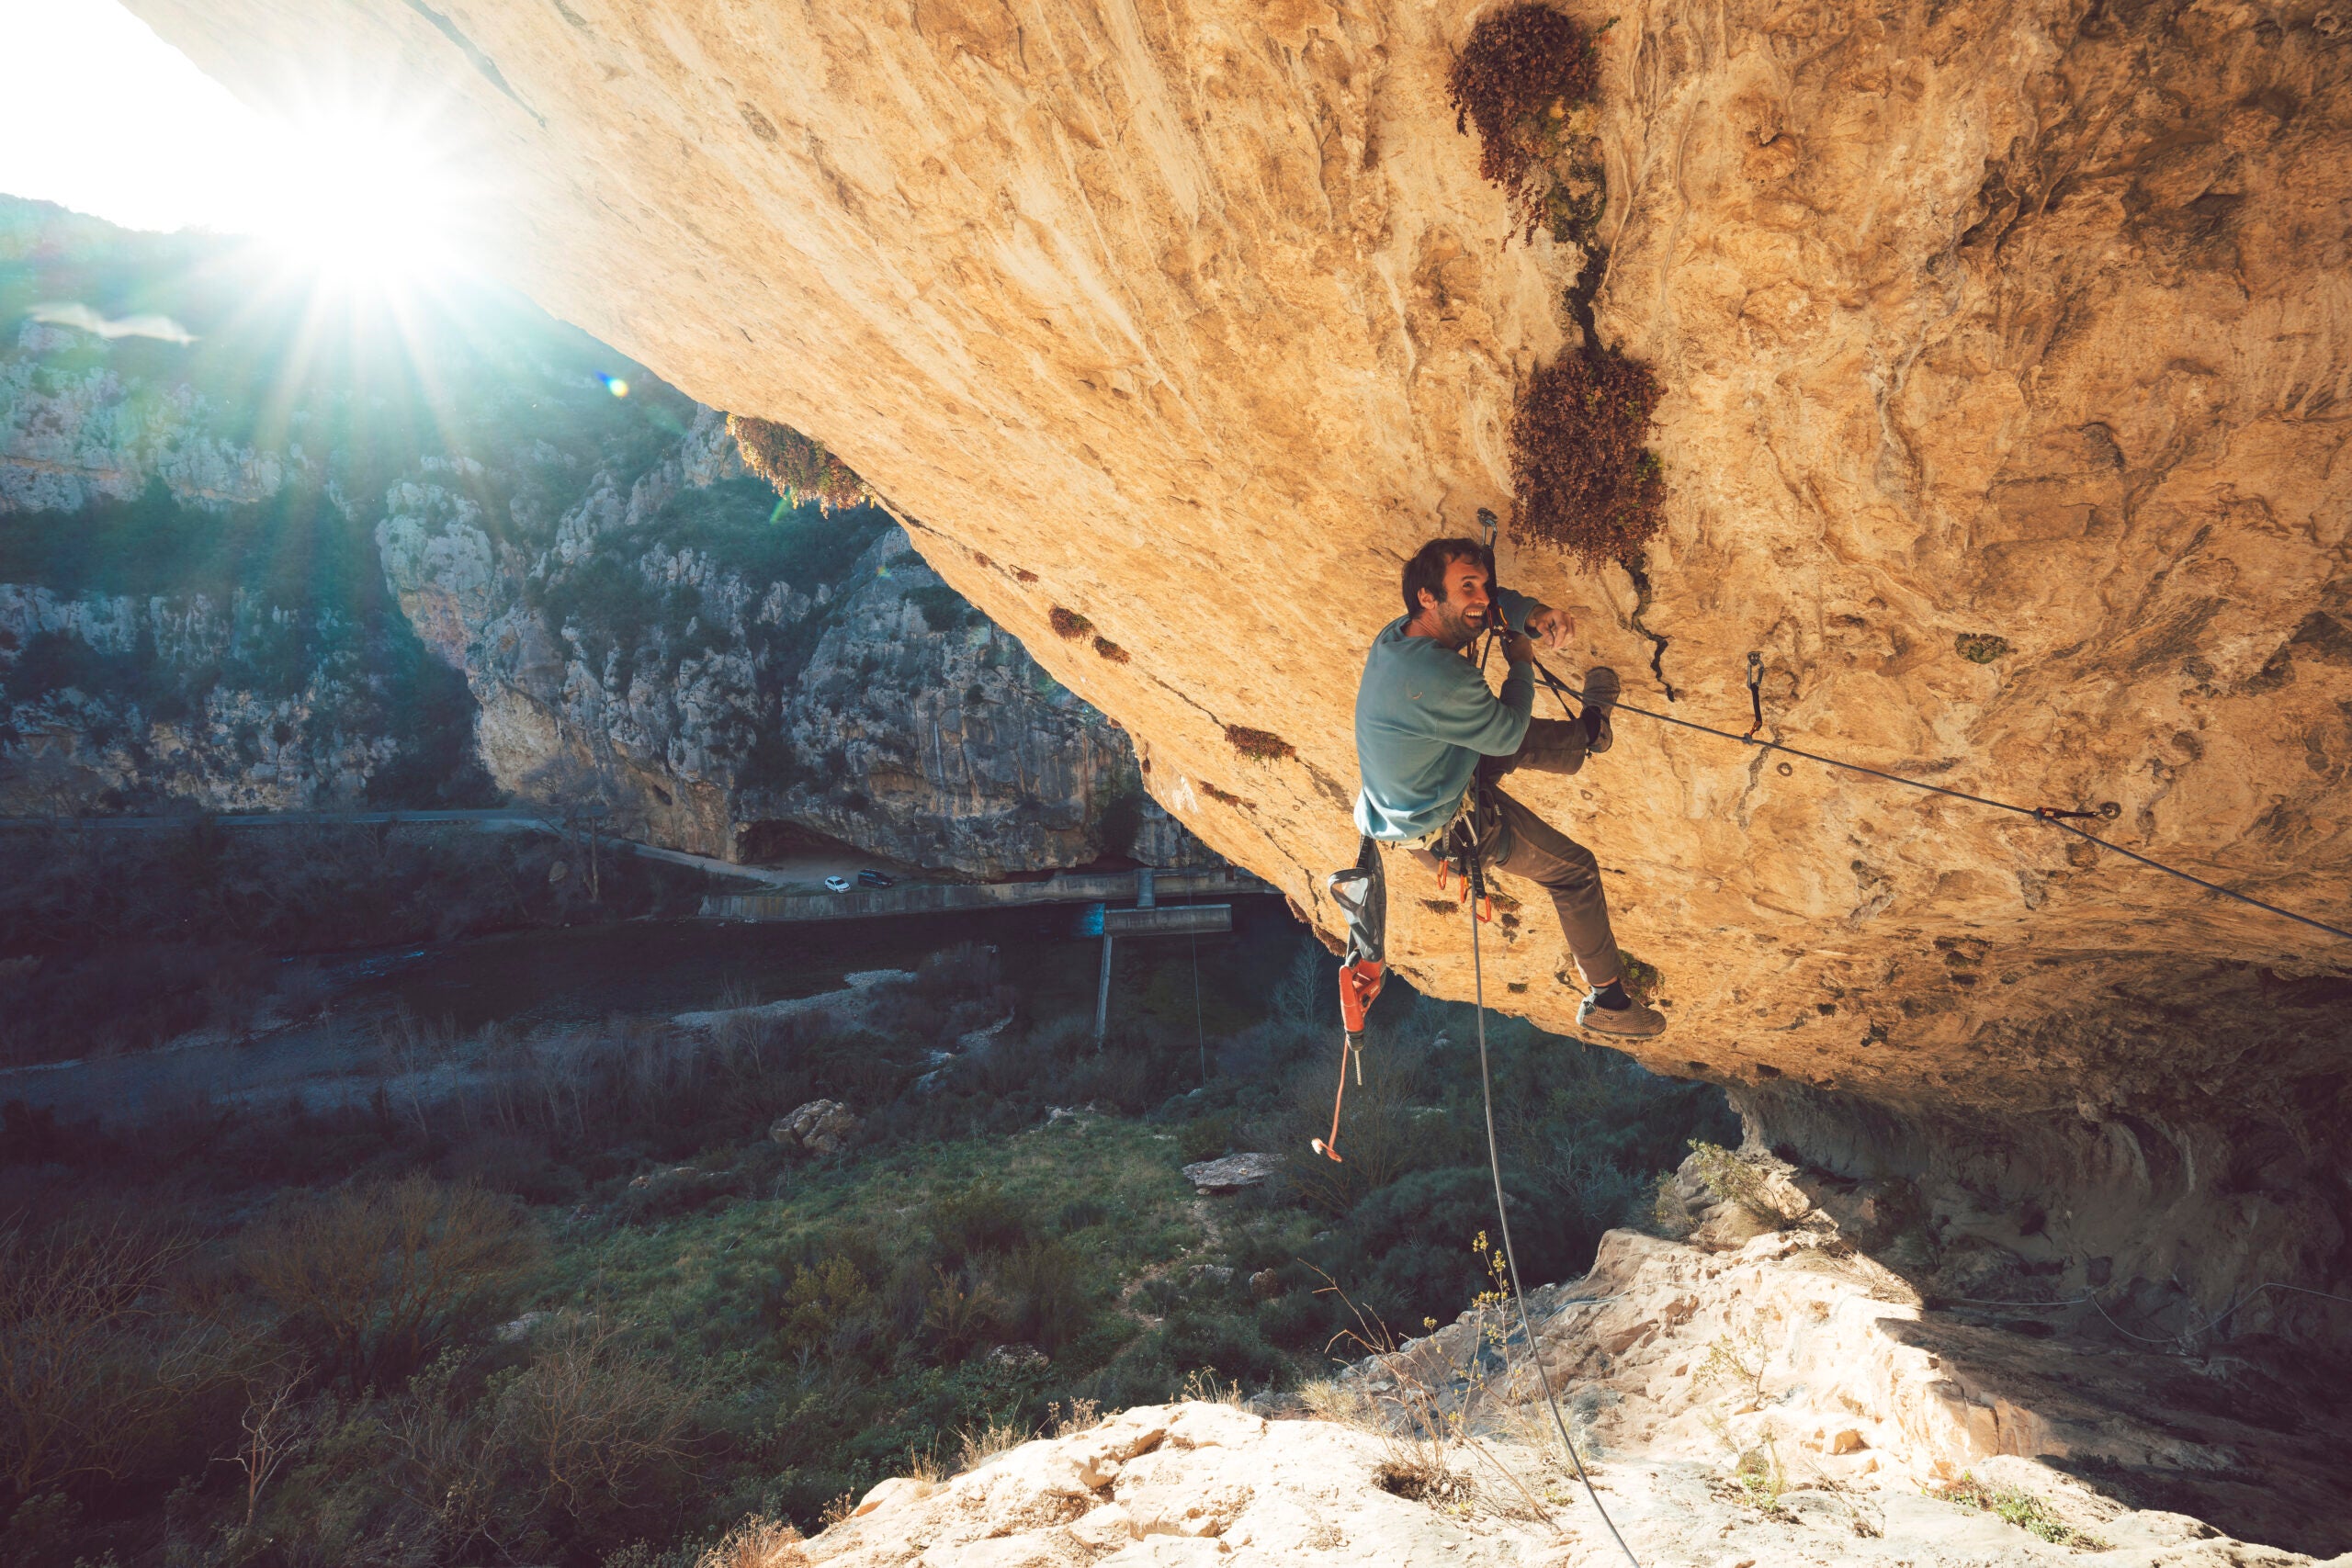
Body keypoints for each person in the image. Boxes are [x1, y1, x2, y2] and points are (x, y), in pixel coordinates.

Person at [1352, 536, 1666, 1039]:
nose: (1481, 597)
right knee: (1574, 872)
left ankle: (1588, 735)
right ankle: (1609, 1001)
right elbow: (1507, 729)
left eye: (1483, 585)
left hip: (1425, 785)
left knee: (1490, 737)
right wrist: (1520, 659)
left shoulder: (1398, 636)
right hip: (1454, 829)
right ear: (1428, 598)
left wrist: (1531, 613)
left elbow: (1485, 611)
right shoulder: (1441, 677)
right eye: (1467, 587)